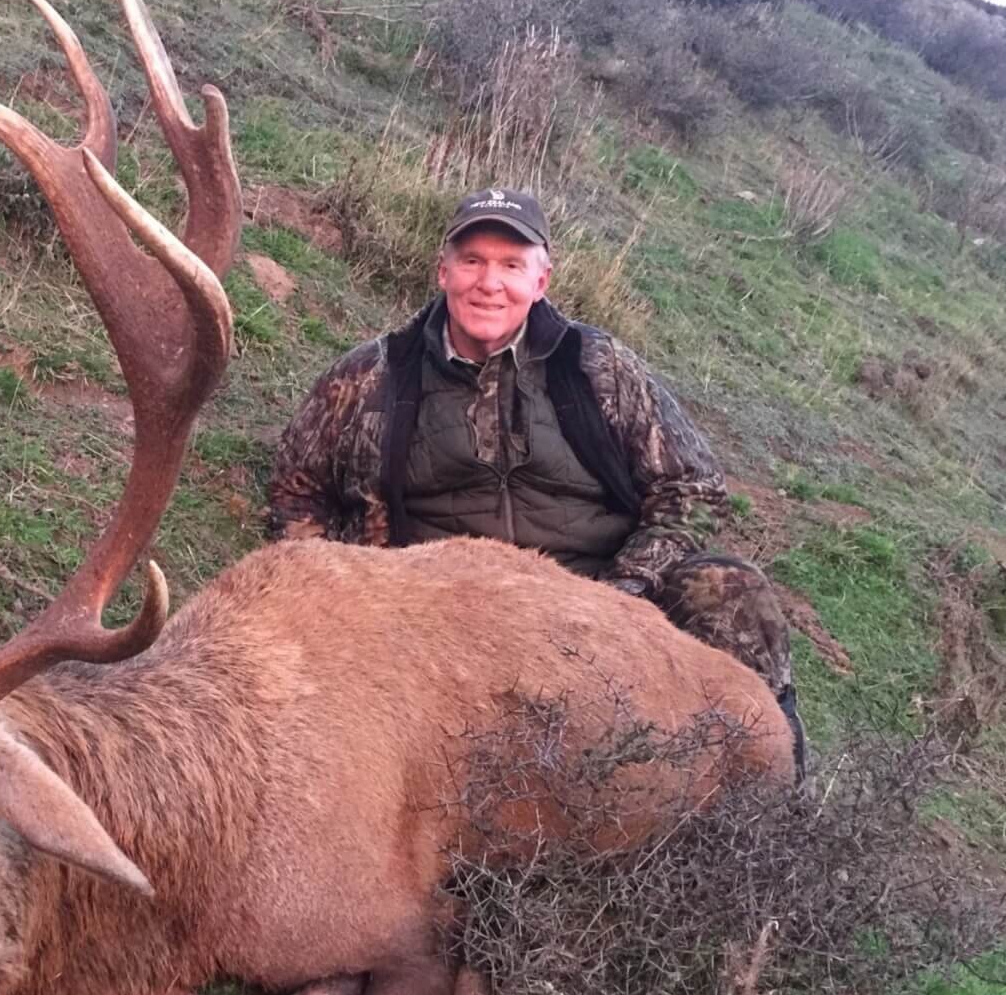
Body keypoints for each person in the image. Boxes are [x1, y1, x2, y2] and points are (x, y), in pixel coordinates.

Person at [267, 187, 804, 767]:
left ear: (541, 281)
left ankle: (777, 797)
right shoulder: (371, 375)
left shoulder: (601, 368)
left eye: (511, 265)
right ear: (442, 271)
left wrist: (625, 594)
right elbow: (299, 491)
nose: (489, 283)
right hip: (441, 612)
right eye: (472, 261)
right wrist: (348, 588)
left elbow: (694, 490)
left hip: (604, 597)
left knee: (731, 590)